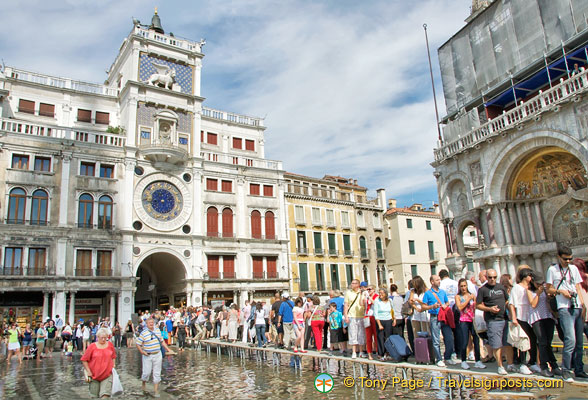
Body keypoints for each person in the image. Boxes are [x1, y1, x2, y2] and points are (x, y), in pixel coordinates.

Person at [546, 245, 587, 382]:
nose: (568, 261)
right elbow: (549, 289)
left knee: (579, 341)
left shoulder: (573, 269)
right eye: (565, 259)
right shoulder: (552, 270)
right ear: (559, 257)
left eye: (570, 259)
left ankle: (579, 369)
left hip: (576, 307)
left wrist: (583, 304)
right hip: (564, 307)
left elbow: (577, 286)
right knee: (570, 339)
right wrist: (560, 292)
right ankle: (566, 370)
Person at [476, 268, 514, 375]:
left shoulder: (501, 287)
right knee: (497, 344)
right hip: (493, 320)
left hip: (504, 318)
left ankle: (510, 364)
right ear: (486, 277)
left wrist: (510, 309)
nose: (492, 279)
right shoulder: (482, 290)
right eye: (490, 277)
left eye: (494, 277)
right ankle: (500, 365)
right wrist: (490, 309)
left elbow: (507, 300)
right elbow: (478, 305)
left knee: (508, 343)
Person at [527, 271, 561, 377]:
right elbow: (533, 304)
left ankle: (553, 365)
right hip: (537, 317)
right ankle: (543, 366)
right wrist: (537, 293)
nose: (540, 285)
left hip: (548, 316)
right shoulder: (529, 290)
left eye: (541, 283)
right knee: (542, 342)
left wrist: (549, 295)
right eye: (538, 283)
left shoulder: (546, 288)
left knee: (548, 342)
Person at [509, 267, 540, 375]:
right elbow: (512, 303)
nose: (531, 278)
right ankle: (523, 363)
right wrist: (513, 317)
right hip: (521, 315)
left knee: (533, 339)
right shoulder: (516, 287)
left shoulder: (531, 287)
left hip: (532, 315)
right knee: (523, 340)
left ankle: (533, 361)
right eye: (530, 275)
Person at [421, 275, 455, 367]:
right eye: (437, 280)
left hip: (444, 317)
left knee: (449, 338)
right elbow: (423, 306)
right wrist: (432, 306)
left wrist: (445, 305)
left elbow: (447, 302)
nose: (439, 281)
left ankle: (447, 357)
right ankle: (438, 359)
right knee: (436, 340)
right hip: (434, 317)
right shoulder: (428, 293)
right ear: (432, 282)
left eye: (439, 279)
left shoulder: (443, 292)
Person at [136, 317, 175, 398]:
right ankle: (143, 383)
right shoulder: (143, 333)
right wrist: (142, 351)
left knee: (157, 373)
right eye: (149, 322)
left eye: (152, 322)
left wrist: (168, 349)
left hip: (157, 354)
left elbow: (162, 341)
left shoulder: (157, 331)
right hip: (147, 355)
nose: (151, 323)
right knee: (146, 373)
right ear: (146, 324)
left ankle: (156, 390)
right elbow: (138, 343)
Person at [455, 278, 485, 370]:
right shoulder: (458, 296)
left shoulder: (472, 295)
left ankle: (478, 360)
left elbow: (476, 306)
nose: (463, 288)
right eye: (461, 286)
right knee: (464, 341)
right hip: (464, 320)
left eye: (465, 286)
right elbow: (460, 307)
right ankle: (463, 360)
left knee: (476, 340)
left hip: (472, 319)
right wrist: (468, 300)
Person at [81, 328, 116, 398]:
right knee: (94, 397)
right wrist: (88, 371)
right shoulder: (92, 346)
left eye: (105, 338)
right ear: (97, 337)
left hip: (107, 375)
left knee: (105, 396)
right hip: (94, 375)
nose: (103, 339)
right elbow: (84, 359)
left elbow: (113, 356)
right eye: (102, 338)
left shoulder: (110, 345)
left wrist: (113, 365)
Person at [344, 279, 366, 359]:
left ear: (358, 284)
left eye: (354, 283)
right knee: (352, 333)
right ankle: (354, 351)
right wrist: (346, 316)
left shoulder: (362, 293)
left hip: (361, 315)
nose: (352, 284)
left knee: (361, 333)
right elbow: (346, 305)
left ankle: (361, 351)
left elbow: (363, 303)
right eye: (352, 283)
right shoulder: (348, 293)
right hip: (351, 315)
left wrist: (361, 293)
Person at [374, 288, 395, 361]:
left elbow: (392, 310)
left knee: (388, 337)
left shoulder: (390, 301)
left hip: (388, 319)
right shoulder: (377, 301)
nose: (380, 295)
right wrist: (379, 324)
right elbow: (376, 313)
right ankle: (381, 353)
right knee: (380, 337)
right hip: (380, 320)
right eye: (379, 293)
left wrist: (394, 319)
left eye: (382, 293)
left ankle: (388, 352)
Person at [364, 284, 379, 359]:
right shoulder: (366, 297)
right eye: (367, 289)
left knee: (376, 335)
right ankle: (369, 352)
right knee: (368, 336)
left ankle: (378, 351)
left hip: (374, 316)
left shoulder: (377, 296)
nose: (368, 291)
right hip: (367, 316)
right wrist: (363, 297)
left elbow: (375, 303)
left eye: (370, 289)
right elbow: (362, 304)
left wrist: (369, 297)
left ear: (373, 290)